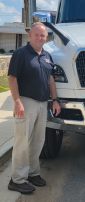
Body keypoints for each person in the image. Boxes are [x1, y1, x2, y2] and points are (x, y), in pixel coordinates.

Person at [7, 22, 61, 194]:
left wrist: (55, 100)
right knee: (22, 141)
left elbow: (50, 78)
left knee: (38, 142)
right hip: (25, 102)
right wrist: (17, 101)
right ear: (30, 34)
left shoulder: (47, 56)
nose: (40, 38)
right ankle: (17, 179)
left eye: (43, 35)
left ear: (46, 38)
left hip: (43, 104)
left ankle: (32, 173)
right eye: (37, 34)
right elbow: (12, 77)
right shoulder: (20, 53)